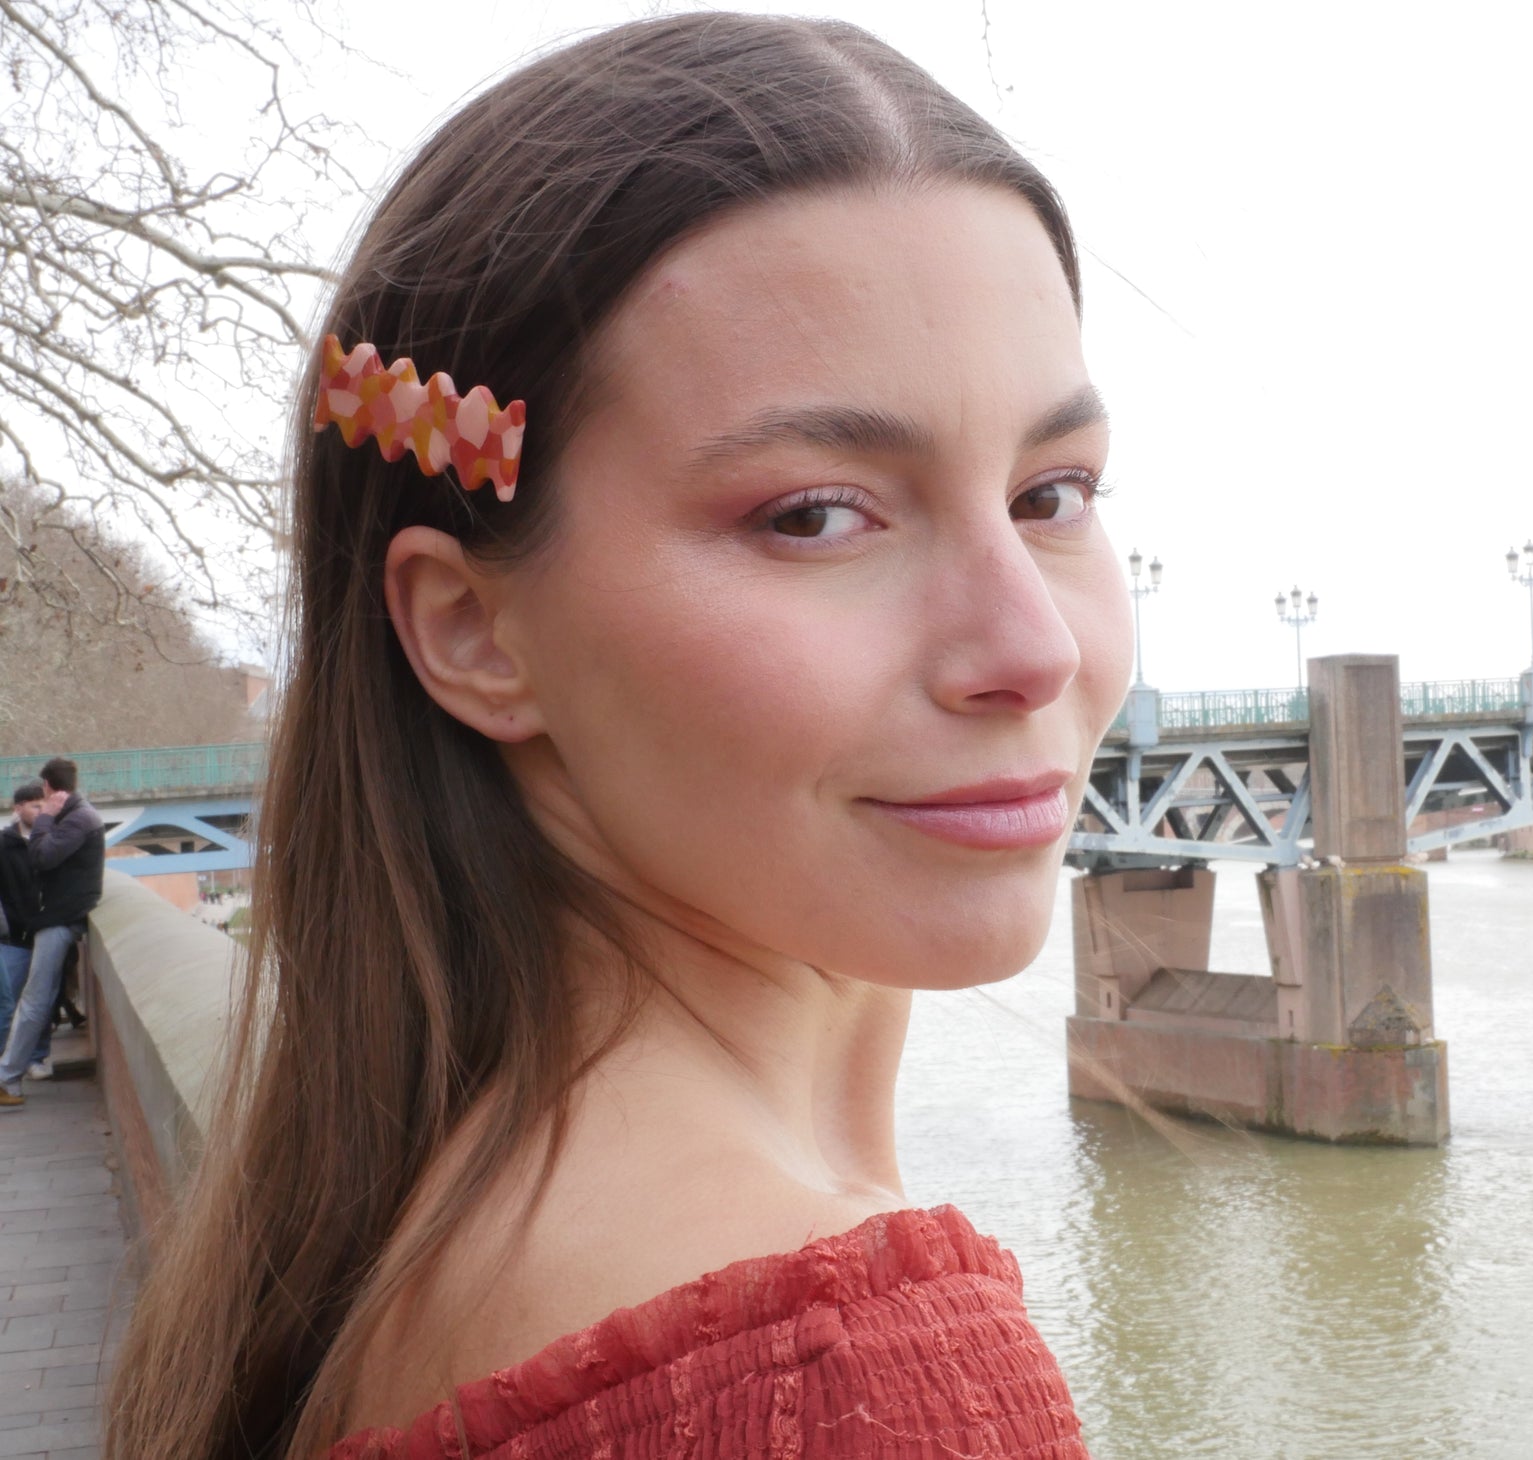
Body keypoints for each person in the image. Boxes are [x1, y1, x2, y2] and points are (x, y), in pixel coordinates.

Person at [109, 16, 1126, 1460]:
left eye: (1052, 494)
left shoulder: (397, 1228)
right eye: (813, 515)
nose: (1032, 649)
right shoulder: (835, 1380)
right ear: (471, 631)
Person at [0, 758, 105, 1106]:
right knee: (36, 998)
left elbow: (42, 858)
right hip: (61, 915)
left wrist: (44, 818)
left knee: (33, 1000)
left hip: (59, 916)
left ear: (46, 786)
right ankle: (9, 1076)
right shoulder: (81, 814)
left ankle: (6, 1078)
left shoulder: (79, 818)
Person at [0, 784, 53, 1080]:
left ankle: (36, 1058)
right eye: (34, 805)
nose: (40, 810)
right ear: (18, 808)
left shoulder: (53, 842)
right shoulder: (4, 845)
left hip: (47, 931)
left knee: (43, 1001)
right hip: (13, 937)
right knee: (7, 1002)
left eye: (43, 805)